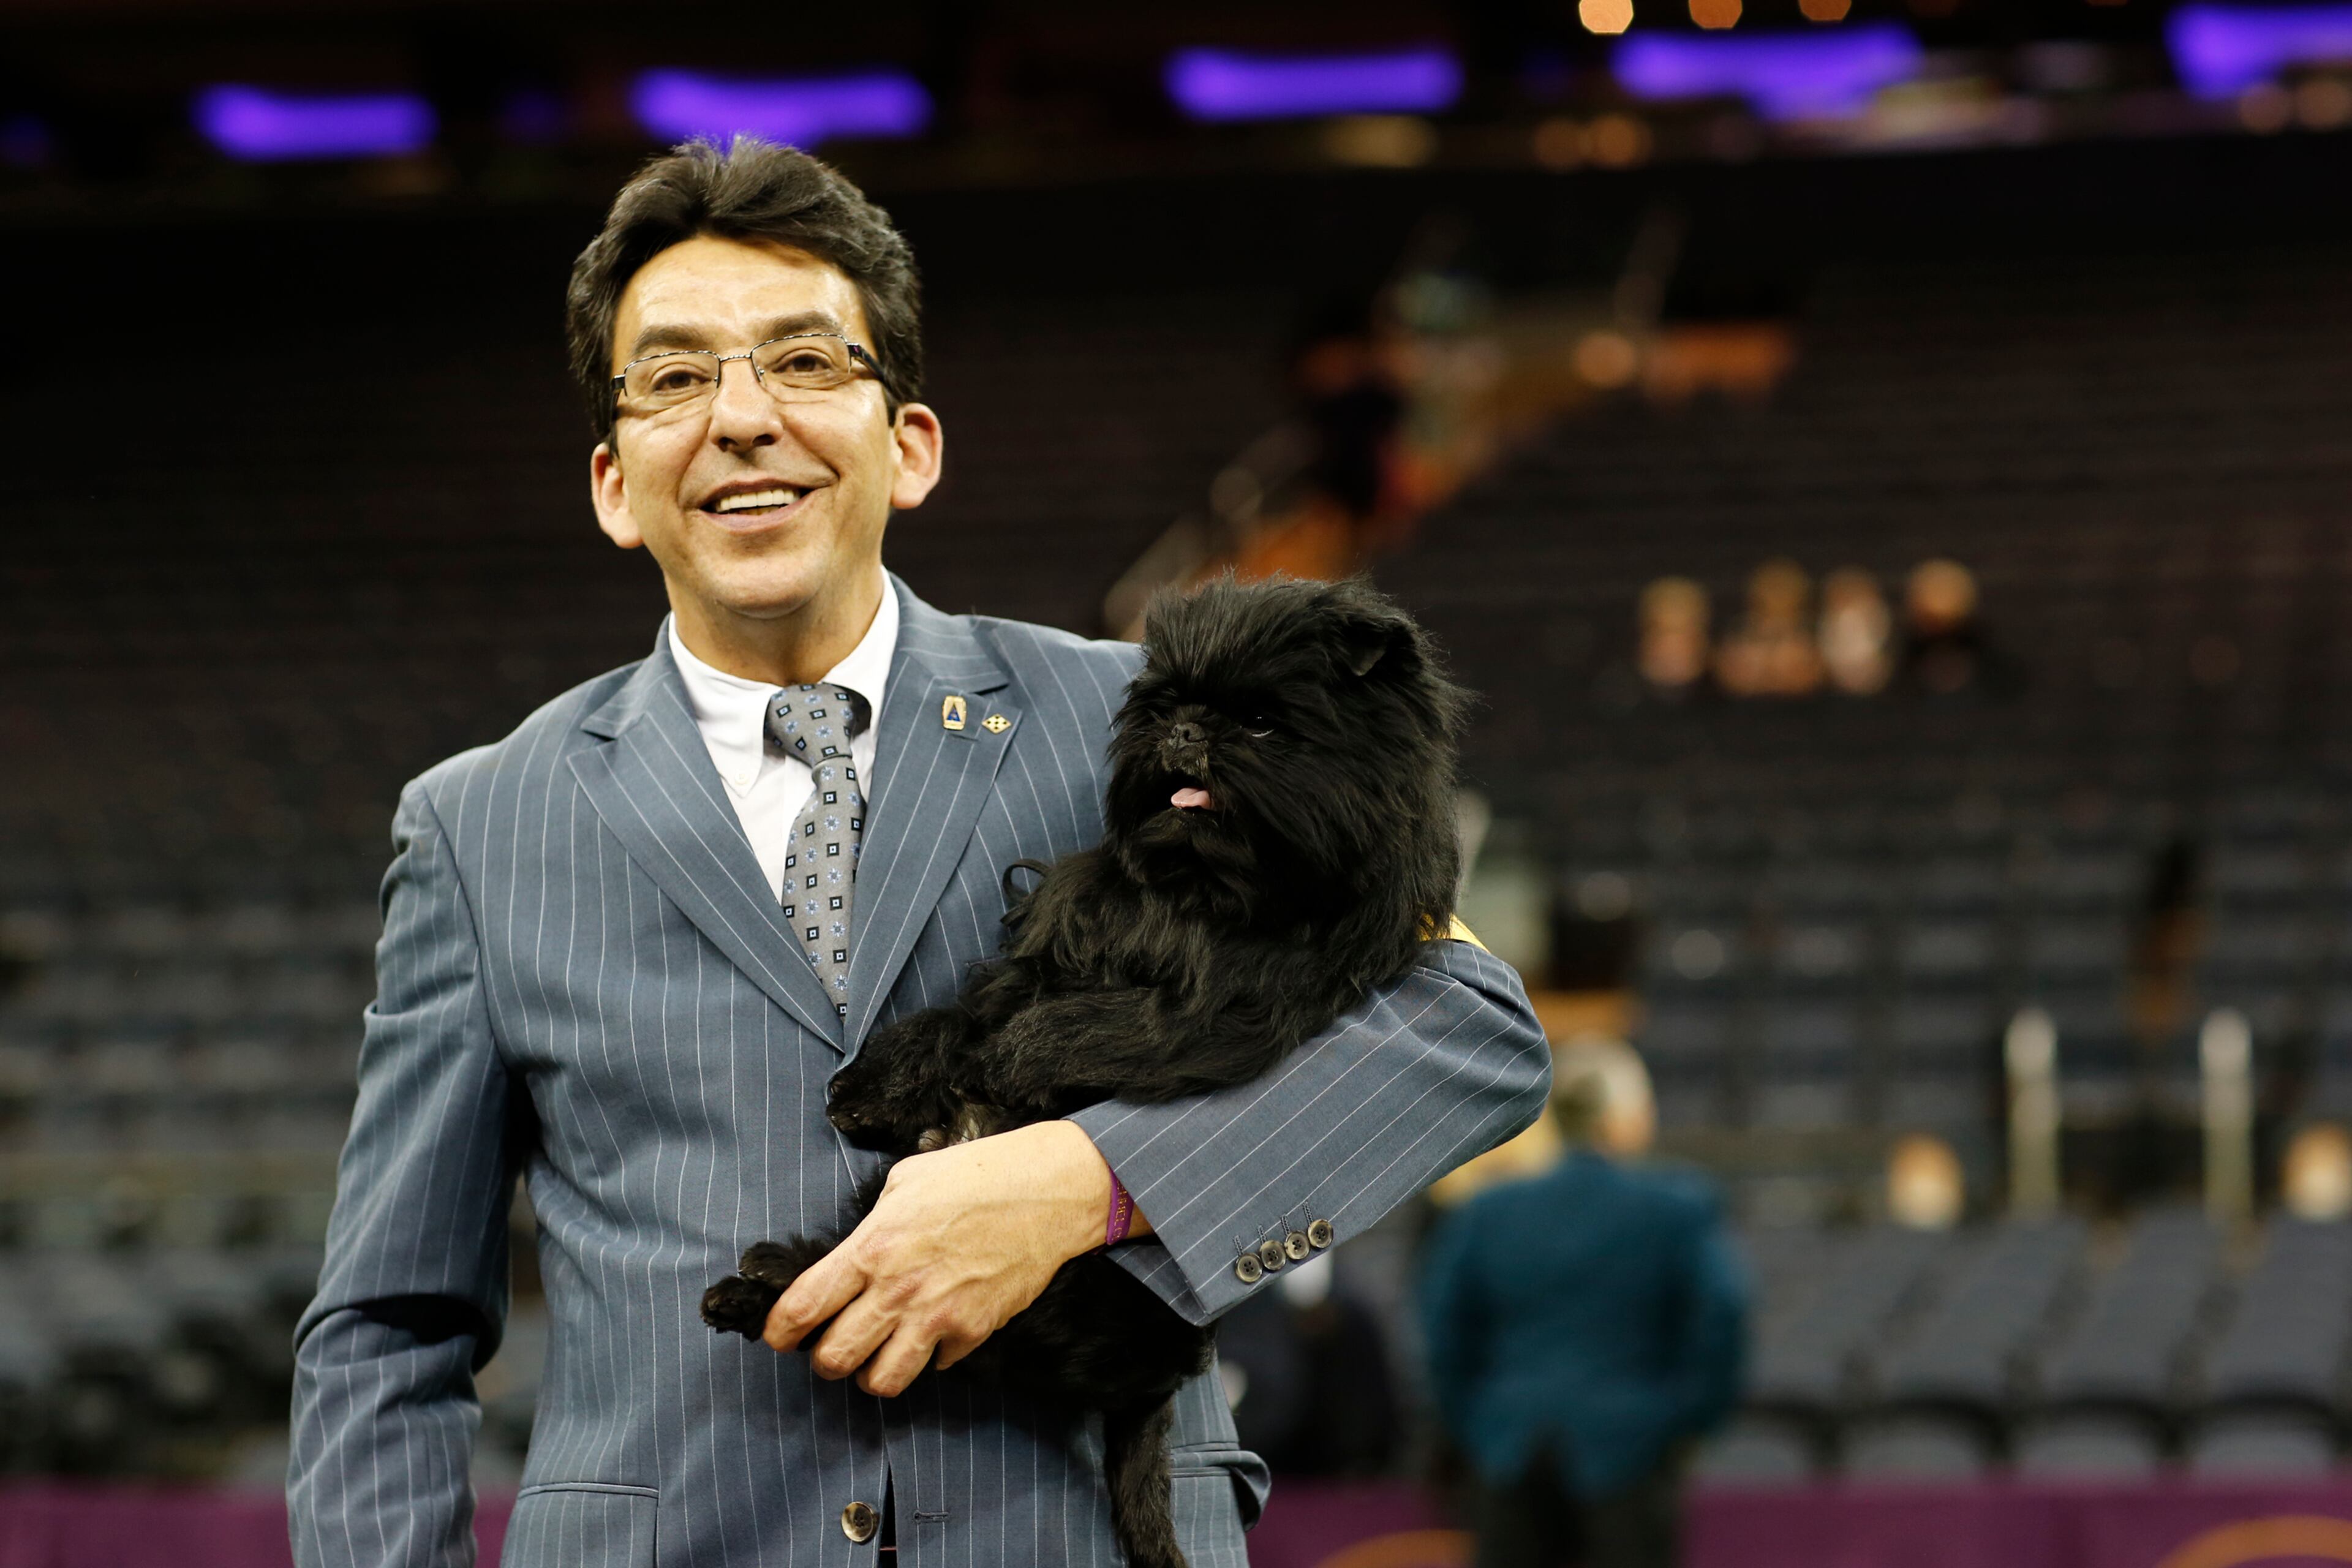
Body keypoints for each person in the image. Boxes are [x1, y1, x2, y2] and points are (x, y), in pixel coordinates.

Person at [284, 136, 1551, 1568]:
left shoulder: (1132, 721)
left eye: (806, 363)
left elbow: (1464, 1025)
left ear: (911, 445)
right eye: (676, 376)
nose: (742, 417)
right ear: (613, 480)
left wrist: (1096, 1178)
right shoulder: (477, 823)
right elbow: (387, 1331)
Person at [1420, 1039, 1744, 1568]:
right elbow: (1722, 1317)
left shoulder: (1486, 1211)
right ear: (1626, 1118)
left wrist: (1482, 1420)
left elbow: (1443, 1330)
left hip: (1509, 1448)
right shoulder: (1676, 1208)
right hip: (1631, 1452)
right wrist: (1685, 1420)